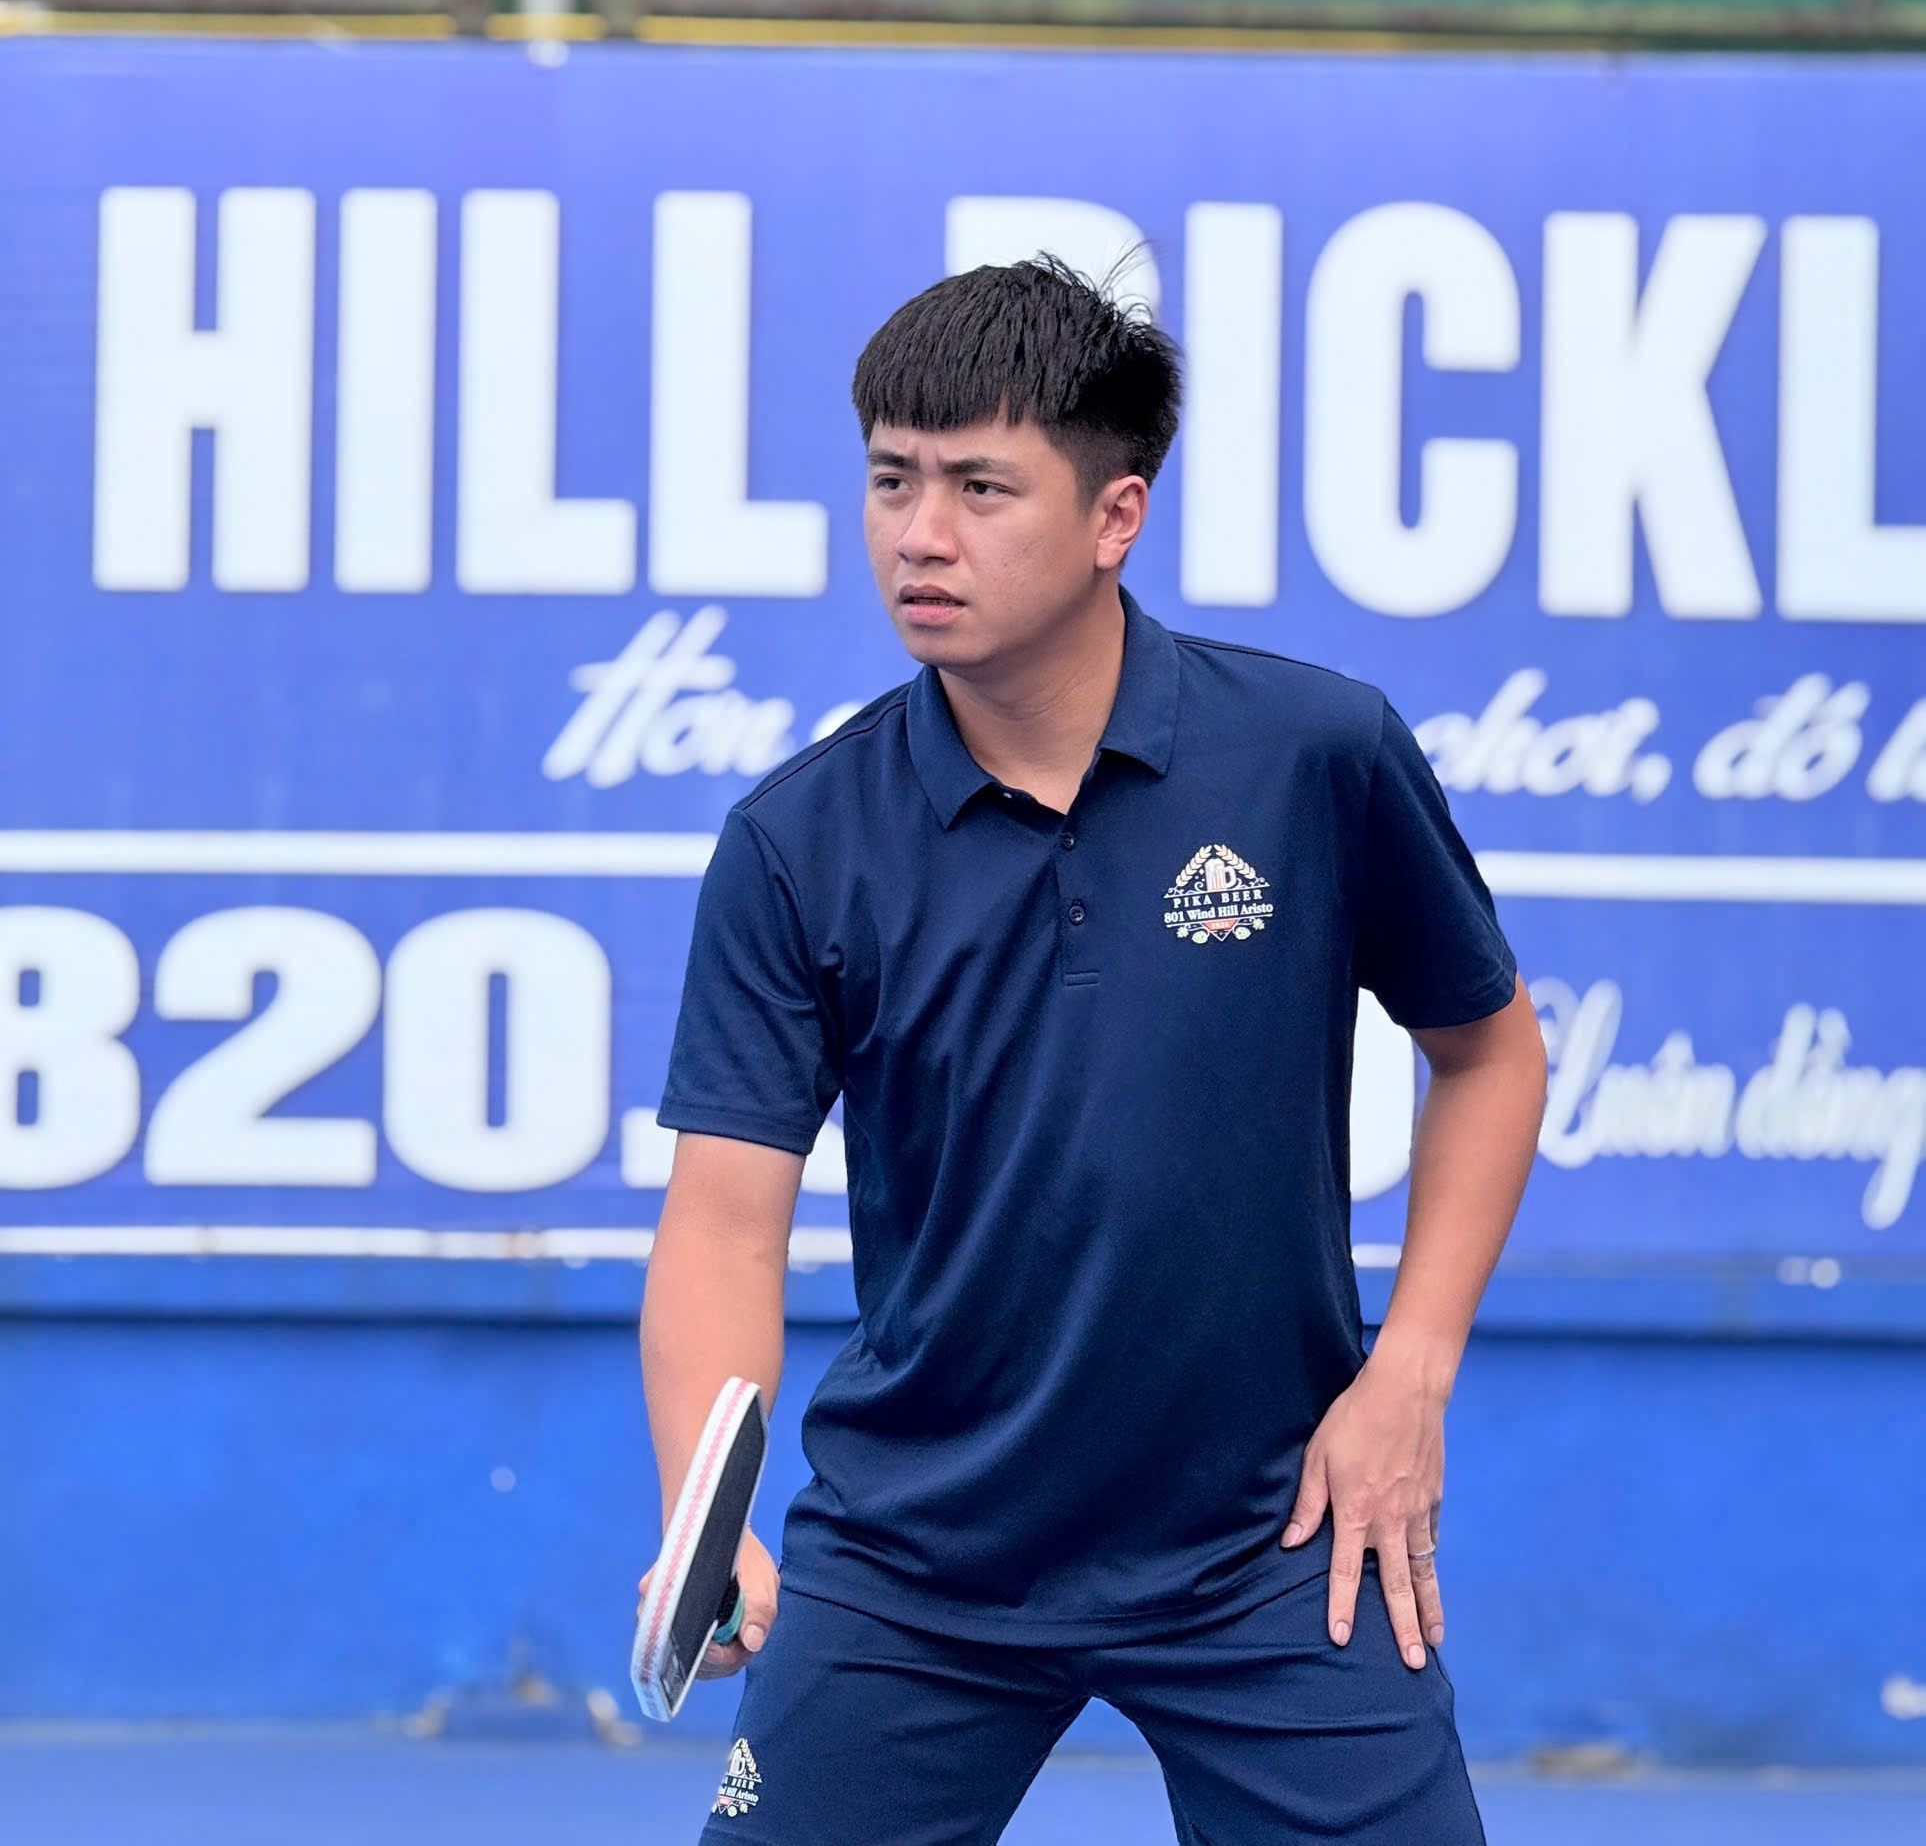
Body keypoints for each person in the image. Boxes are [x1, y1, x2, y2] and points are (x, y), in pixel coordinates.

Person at [641, 255, 1547, 1843]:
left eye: (980, 487)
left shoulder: (1315, 755)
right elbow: (723, 1220)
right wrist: (700, 1519)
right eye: (891, 481)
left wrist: (1406, 1376)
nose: (919, 535)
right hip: (917, 1556)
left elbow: (1488, 1055)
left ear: (1114, 516)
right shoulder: (796, 842)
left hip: (1276, 1537)